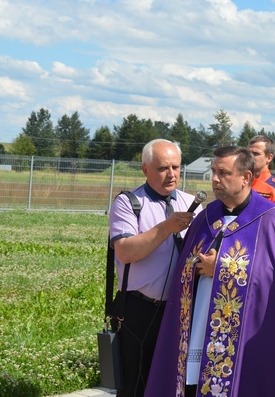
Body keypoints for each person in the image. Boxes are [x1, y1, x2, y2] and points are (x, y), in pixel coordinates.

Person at [145, 145, 275, 397]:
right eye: (214, 172)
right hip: (199, 326)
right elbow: (185, 267)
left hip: (247, 337)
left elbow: (274, 280)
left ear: (246, 177)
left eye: (224, 173)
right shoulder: (206, 216)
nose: (215, 179)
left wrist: (221, 268)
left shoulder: (272, 218)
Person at [108, 139, 197, 397]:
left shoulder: (193, 204)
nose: (171, 175)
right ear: (145, 169)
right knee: (136, 385)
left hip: (181, 310)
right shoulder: (129, 203)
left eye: (176, 167)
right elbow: (124, 252)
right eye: (162, 168)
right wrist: (166, 228)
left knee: (177, 384)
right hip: (139, 309)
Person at [248, 134, 275, 205]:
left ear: (269, 158)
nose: (250, 157)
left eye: (255, 154)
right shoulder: (238, 183)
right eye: (248, 153)